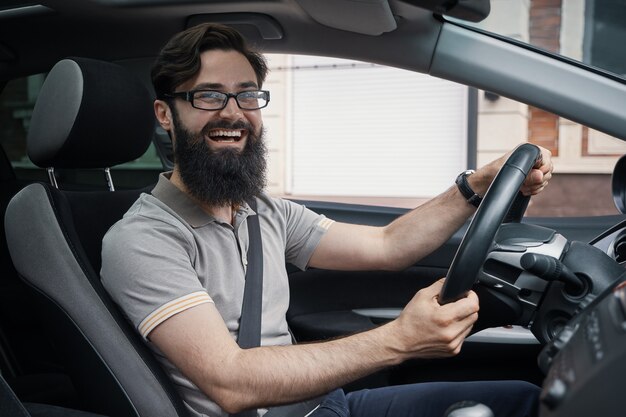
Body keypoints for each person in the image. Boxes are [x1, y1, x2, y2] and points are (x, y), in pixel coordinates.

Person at [101, 23, 552, 417]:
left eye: (247, 94)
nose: (233, 112)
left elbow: (387, 246)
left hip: (326, 406)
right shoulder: (143, 239)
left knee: (524, 400)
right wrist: (398, 339)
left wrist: (477, 185)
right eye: (209, 95)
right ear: (166, 115)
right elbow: (231, 382)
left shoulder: (264, 212)